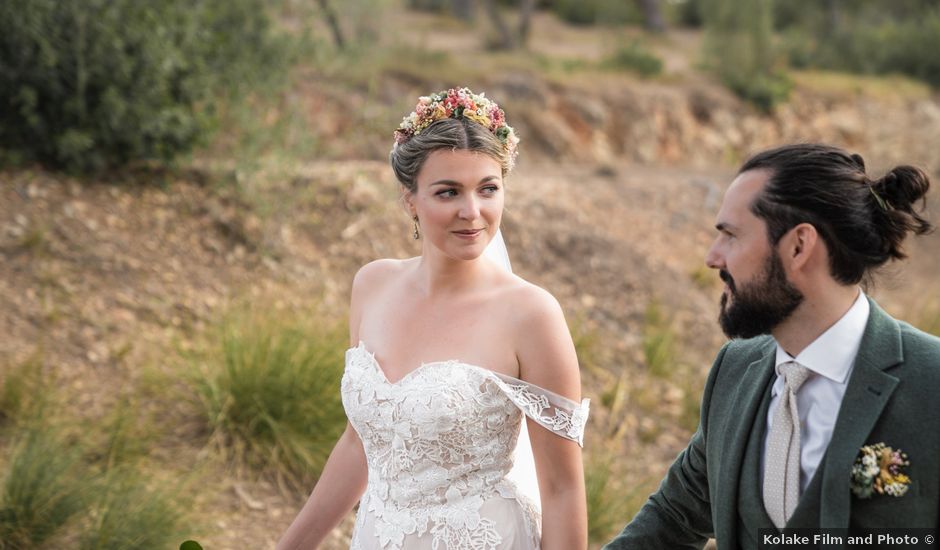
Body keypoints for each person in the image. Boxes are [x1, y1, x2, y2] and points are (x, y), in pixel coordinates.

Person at [276, 87, 589, 550]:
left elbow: (563, 490)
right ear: (411, 200)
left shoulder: (531, 315)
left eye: (488, 189)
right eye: (448, 192)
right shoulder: (371, 285)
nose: (472, 212)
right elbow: (360, 445)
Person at [604, 143, 940, 549]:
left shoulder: (930, 380)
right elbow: (674, 516)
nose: (713, 258)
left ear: (798, 247)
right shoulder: (734, 370)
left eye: (730, 235)